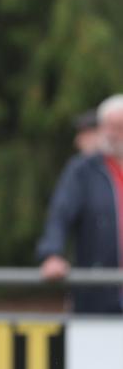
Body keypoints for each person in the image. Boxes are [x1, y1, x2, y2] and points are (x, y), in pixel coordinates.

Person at [37, 94, 123, 314]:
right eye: (107, 126)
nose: (112, 134)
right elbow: (60, 214)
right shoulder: (83, 170)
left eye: (119, 127)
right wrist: (52, 253)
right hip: (99, 292)